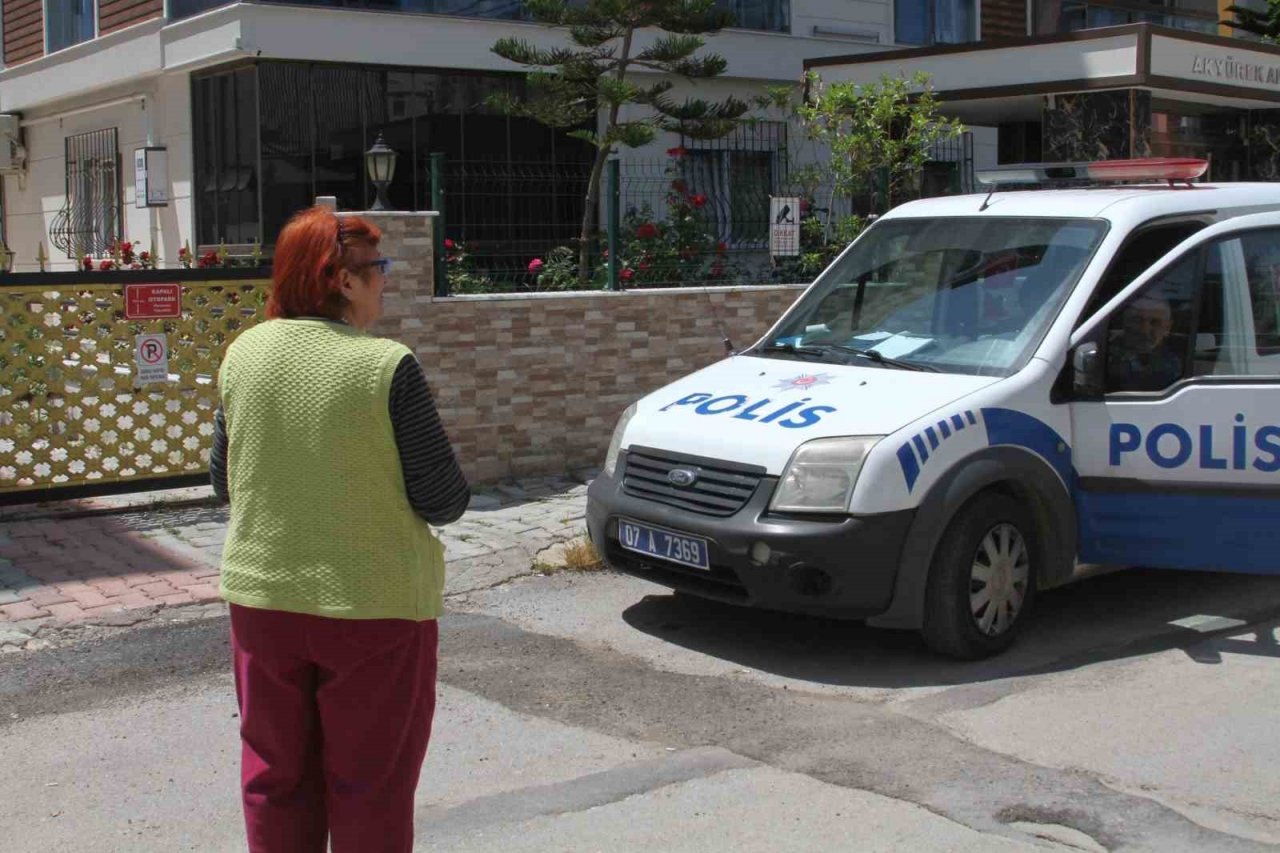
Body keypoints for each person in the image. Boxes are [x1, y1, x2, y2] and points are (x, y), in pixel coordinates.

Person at [209, 206, 470, 853]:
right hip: (372, 609)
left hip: (264, 603)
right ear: (342, 280)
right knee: (369, 788)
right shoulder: (386, 366)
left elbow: (224, 481)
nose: (384, 280)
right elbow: (444, 499)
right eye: (376, 268)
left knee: (275, 779)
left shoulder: (243, 354)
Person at [1107, 293, 1184, 392]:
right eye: (1137, 320)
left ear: (1167, 328)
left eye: (1155, 322)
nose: (1145, 329)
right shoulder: (1105, 355)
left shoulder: (1176, 364)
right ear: (1125, 323)